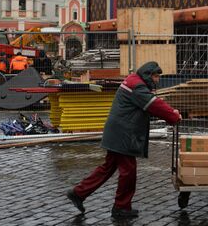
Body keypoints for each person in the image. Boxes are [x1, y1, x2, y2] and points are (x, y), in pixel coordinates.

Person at [66, 61, 182, 220]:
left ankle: (78, 193)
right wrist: (173, 115)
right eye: (155, 76)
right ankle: (121, 207)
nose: (157, 80)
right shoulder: (138, 87)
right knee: (128, 171)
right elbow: (153, 105)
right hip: (123, 134)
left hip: (117, 132)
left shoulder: (134, 81)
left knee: (108, 168)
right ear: (148, 75)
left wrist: (169, 113)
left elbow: (147, 105)